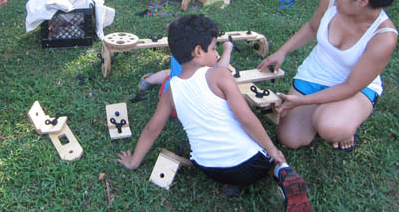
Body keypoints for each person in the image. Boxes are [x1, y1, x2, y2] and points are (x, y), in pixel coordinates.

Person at [118, 15, 310, 211]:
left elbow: (152, 129)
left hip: (209, 168)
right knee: (272, 157)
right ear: (198, 51)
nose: (217, 54)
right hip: (250, 165)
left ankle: (231, 184)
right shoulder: (219, 74)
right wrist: (271, 150)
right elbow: (246, 118)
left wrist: (133, 162)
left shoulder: (170, 90)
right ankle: (282, 172)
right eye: (213, 48)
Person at [258, 0, 397, 152]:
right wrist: (282, 51)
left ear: (362, 1)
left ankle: (344, 121)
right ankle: (332, 112)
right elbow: (312, 28)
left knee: (330, 126)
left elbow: (350, 86)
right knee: (290, 139)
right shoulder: (330, 1)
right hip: (316, 74)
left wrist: (302, 101)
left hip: (354, 88)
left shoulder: (383, 37)